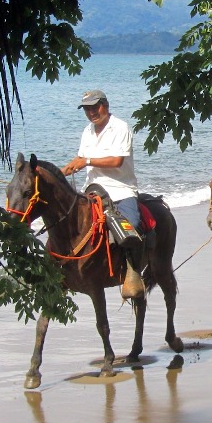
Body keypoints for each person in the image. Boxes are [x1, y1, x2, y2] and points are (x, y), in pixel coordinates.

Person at [62, 89, 145, 299]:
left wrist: (87, 161)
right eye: (87, 109)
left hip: (120, 190)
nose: (91, 112)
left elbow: (117, 161)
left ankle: (132, 272)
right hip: (92, 191)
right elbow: (79, 158)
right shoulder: (87, 132)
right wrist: (60, 173)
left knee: (131, 225)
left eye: (95, 107)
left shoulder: (121, 127)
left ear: (105, 106)